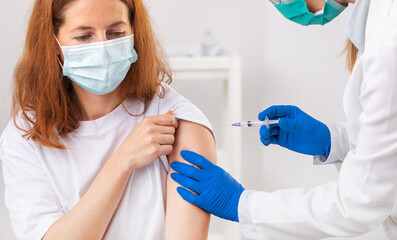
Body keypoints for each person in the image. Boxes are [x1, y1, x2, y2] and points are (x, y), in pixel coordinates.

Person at [170, 0, 397, 239]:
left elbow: (359, 203)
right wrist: (331, 140)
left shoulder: (387, 42)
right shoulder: (379, 22)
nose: (281, 4)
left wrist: (242, 203)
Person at [0, 0, 216, 239]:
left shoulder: (180, 123)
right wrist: (122, 162)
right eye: (84, 36)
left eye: (116, 33)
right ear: (54, 44)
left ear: (134, 32)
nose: (103, 47)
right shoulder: (26, 134)